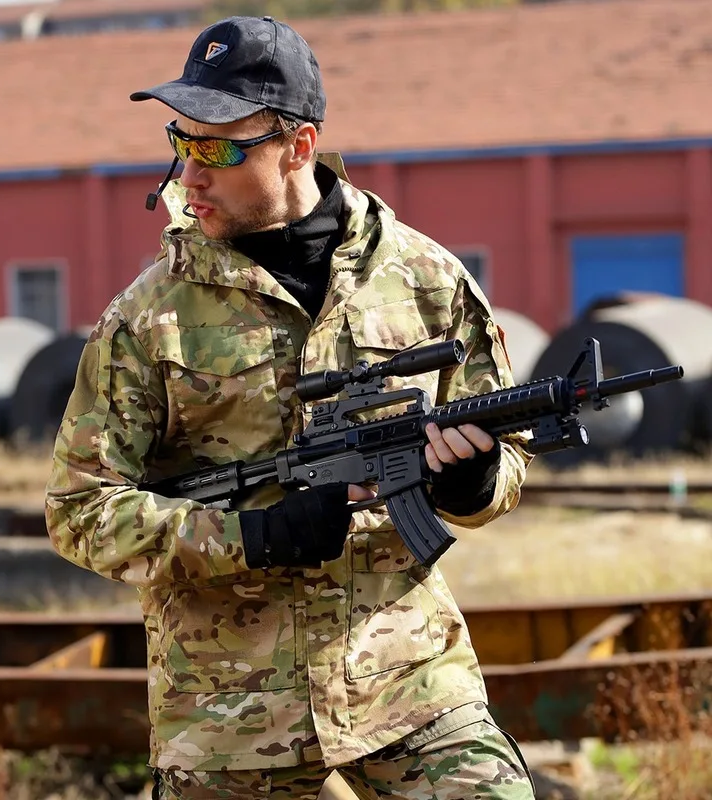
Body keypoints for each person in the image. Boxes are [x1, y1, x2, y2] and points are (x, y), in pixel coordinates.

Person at [45, 14, 535, 800]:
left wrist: (473, 483)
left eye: (218, 148)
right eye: (181, 142)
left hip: (406, 680)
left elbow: (506, 451)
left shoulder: (425, 280)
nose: (188, 174)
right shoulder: (146, 318)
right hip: (229, 715)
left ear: (298, 146)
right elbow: (80, 513)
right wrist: (249, 536)